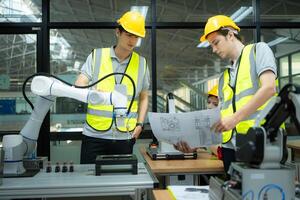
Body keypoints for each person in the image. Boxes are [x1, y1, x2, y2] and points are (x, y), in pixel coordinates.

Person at [177, 15, 278, 177]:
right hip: (230, 148)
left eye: (216, 42)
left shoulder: (258, 51)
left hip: (260, 142)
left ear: (230, 35)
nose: (214, 49)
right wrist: (198, 144)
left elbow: (269, 89)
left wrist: (235, 118)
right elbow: (223, 117)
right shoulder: (224, 77)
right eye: (211, 45)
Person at [75, 11, 150, 164]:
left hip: (125, 135)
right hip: (94, 134)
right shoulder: (97, 56)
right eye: (129, 35)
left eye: (136, 37)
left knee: (121, 181)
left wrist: (140, 125)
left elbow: (143, 96)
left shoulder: (142, 63)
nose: (133, 40)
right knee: (89, 180)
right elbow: (79, 84)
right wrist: (91, 92)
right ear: (118, 32)